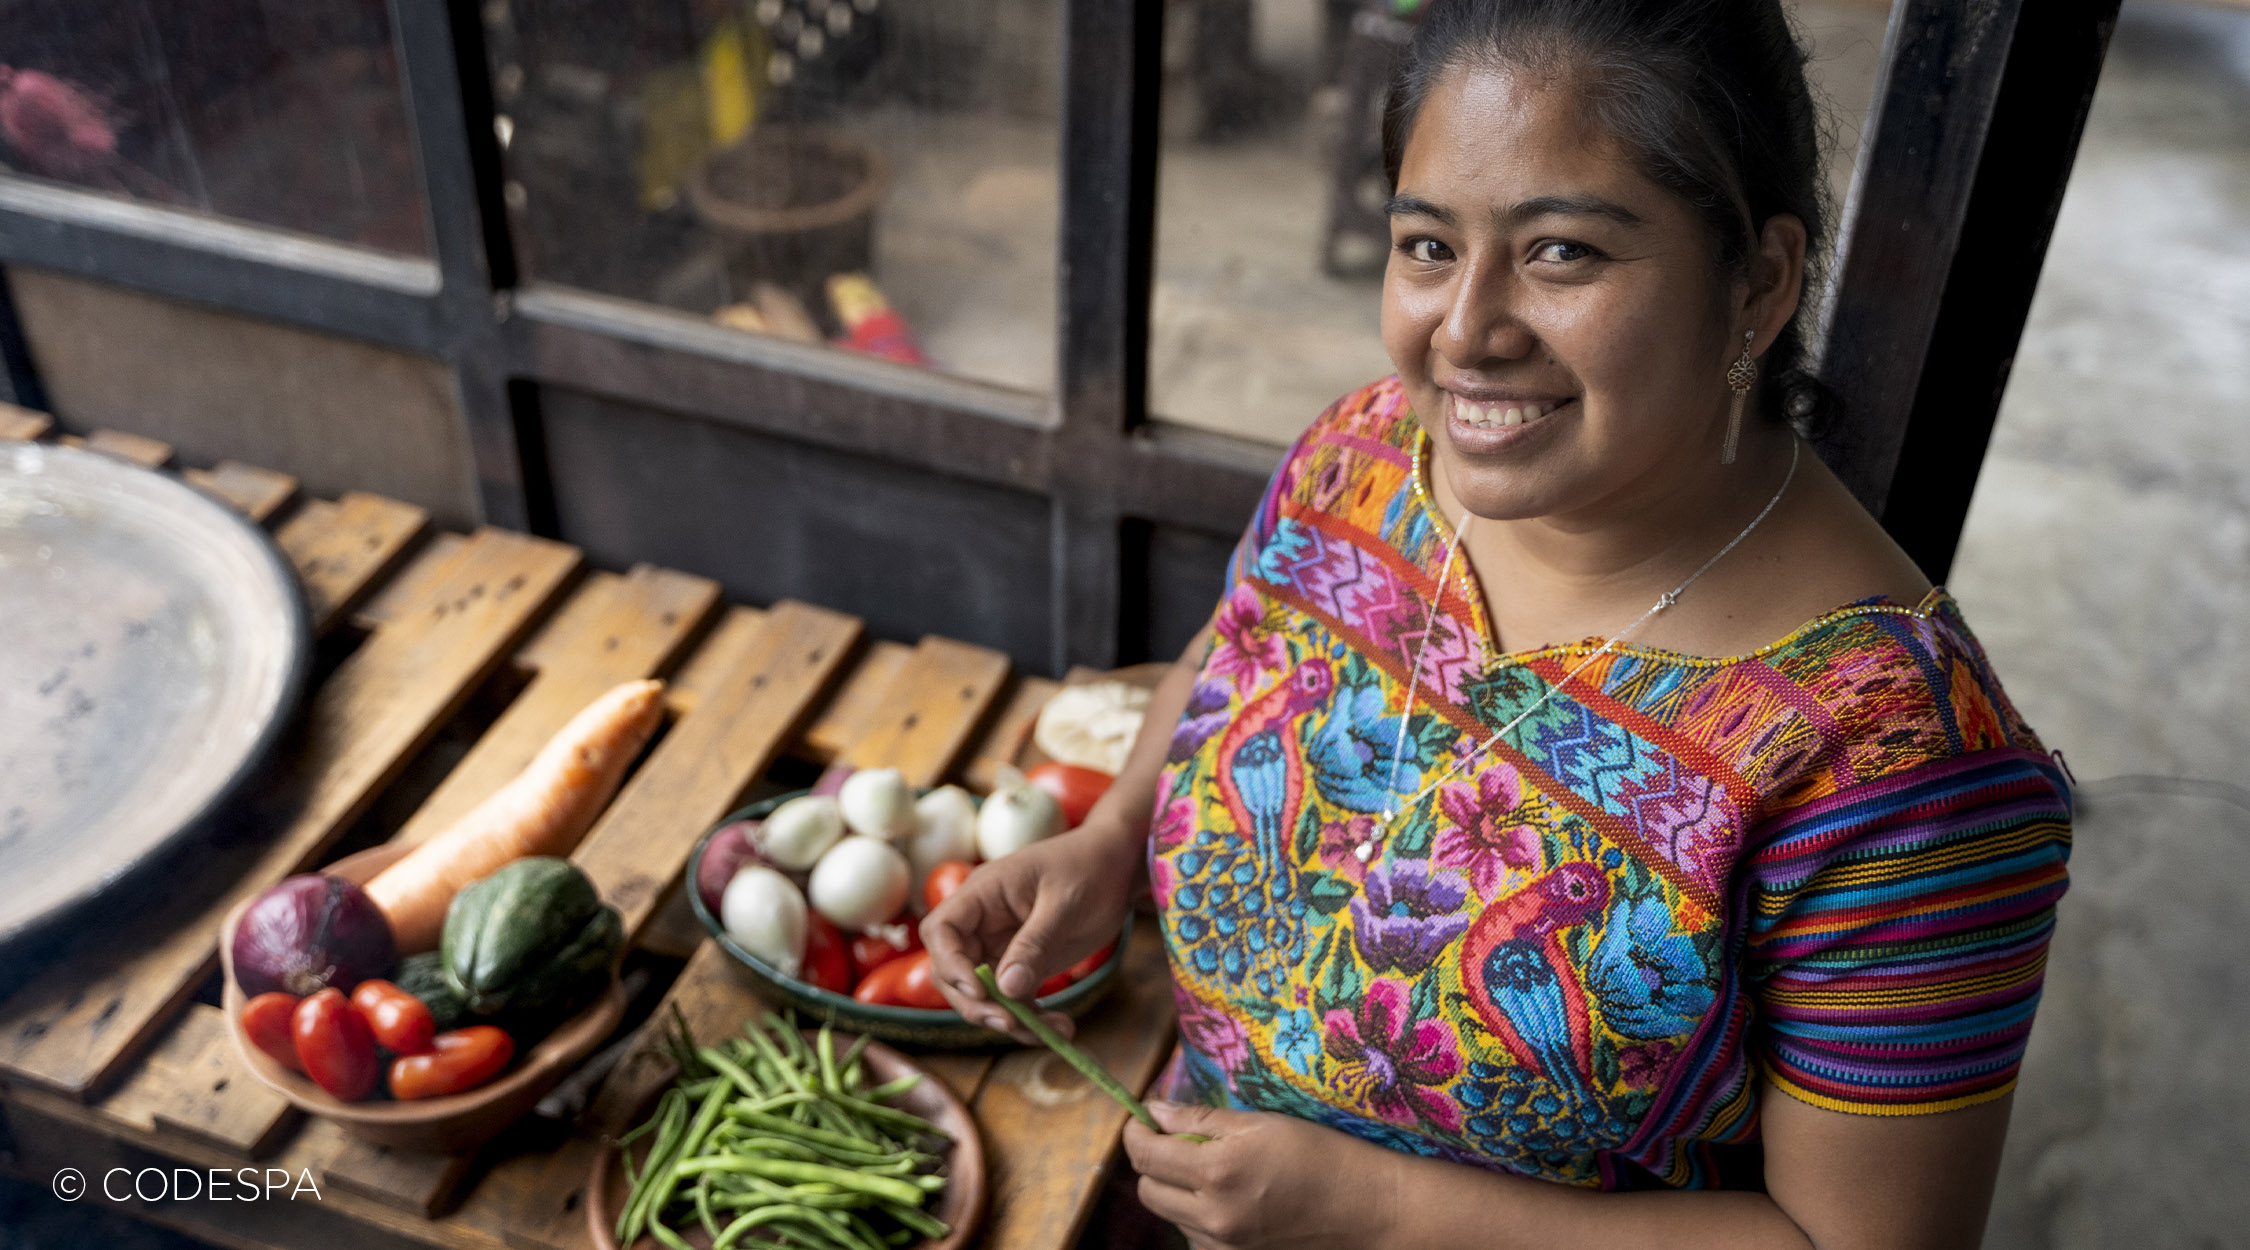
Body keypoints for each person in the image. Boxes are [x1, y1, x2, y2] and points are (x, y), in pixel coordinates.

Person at [924, 1, 2073, 1244]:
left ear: (1761, 281)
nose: (1465, 331)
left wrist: (1377, 1208)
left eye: (1562, 252)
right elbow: (1236, 650)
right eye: (1426, 244)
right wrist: (1109, 843)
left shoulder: (1900, 768)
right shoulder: (1366, 457)